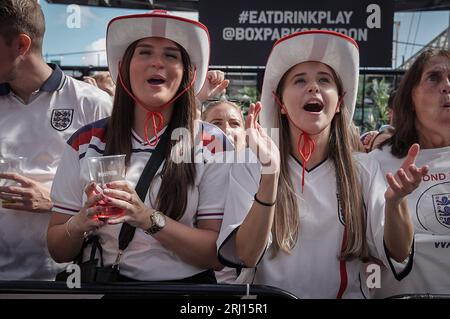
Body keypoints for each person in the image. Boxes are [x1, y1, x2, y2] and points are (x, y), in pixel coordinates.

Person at [217, 30, 428, 298]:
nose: (313, 87)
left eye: (324, 80)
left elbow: (399, 253)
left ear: (339, 102)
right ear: (280, 103)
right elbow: (246, 255)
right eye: (299, 80)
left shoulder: (363, 168)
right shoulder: (250, 164)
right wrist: (270, 174)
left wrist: (397, 203)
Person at [47, 10, 232, 282]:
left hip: (187, 294)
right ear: (124, 67)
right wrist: (79, 223)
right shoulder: (86, 141)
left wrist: (145, 217)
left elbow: (216, 255)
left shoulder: (211, 142)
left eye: (171, 55)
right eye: (144, 52)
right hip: (107, 287)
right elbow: (57, 249)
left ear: (188, 75)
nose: (157, 62)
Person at [0, 0, 112, 280]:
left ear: (21, 45)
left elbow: (118, 196)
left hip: (64, 277)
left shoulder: (93, 104)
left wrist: (54, 201)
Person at [370, 49, 450, 298]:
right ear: (410, 97)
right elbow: (395, 253)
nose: (447, 85)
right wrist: (395, 203)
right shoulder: (376, 163)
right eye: (434, 78)